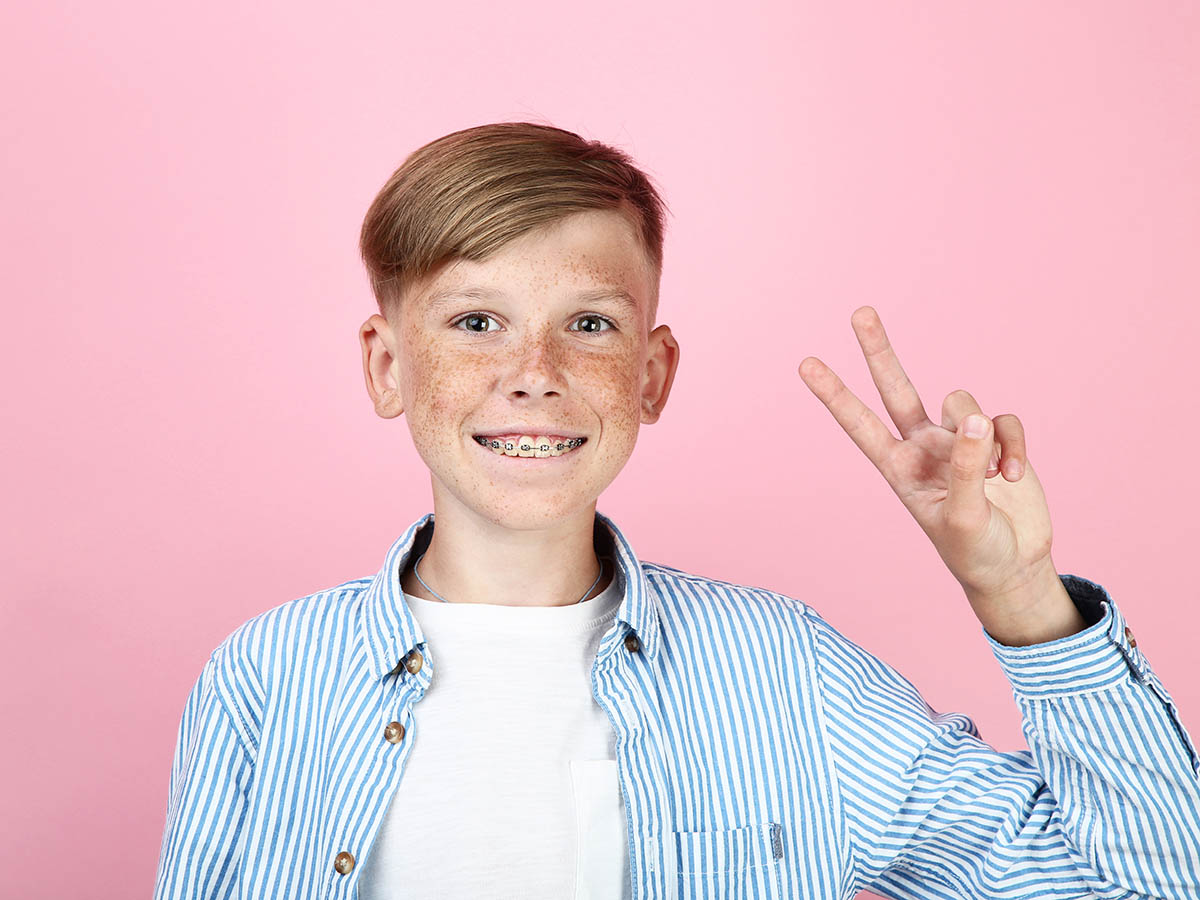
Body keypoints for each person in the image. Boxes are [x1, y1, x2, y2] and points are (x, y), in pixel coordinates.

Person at [153, 122, 1200, 900]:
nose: (534, 373)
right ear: (388, 365)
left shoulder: (792, 674)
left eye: (591, 325)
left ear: (652, 376)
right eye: (477, 320)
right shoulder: (264, 675)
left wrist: (1018, 594)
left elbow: (1139, 886)